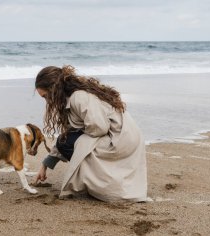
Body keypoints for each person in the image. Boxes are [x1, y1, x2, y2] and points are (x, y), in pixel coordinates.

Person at [34, 65, 147, 202]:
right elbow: (70, 134)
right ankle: (96, 181)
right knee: (66, 140)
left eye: (46, 96)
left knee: (67, 141)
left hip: (119, 140)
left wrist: (77, 134)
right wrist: (45, 165)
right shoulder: (71, 98)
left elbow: (99, 128)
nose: (47, 101)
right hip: (121, 137)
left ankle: (96, 183)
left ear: (54, 89)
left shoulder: (79, 97)